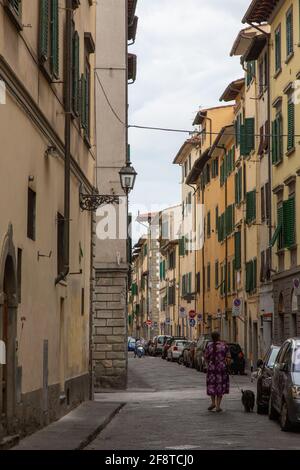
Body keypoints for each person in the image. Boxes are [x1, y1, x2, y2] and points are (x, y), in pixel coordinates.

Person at [204, 331, 231, 413]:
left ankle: (213, 403)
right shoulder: (224, 346)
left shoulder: (209, 346)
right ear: (219, 337)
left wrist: (208, 364)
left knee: (212, 385)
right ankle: (218, 406)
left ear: (212, 338)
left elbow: (205, 357)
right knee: (220, 385)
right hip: (221, 368)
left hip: (212, 369)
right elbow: (229, 357)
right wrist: (227, 365)